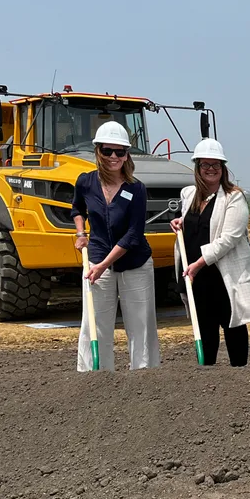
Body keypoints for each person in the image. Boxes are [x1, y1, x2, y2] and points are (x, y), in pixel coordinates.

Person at [72, 121, 160, 371]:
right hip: (97, 257)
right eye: (108, 151)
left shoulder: (136, 189)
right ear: (98, 151)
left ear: (127, 154)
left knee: (140, 323)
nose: (114, 157)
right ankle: (94, 376)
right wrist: (80, 233)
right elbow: (77, 208)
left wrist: (103, 266)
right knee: (94, 322)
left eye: (120, 151)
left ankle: (144, 376)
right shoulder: (85, 182)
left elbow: (133, 235)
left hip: (135, 263)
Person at [171, 138, 250, 367]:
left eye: (216, 165)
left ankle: (239, 375)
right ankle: (207, 380)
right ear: (197, 167)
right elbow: (197, 222)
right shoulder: (189, 194)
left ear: (223, 169)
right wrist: (181, 222)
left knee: (233, 326)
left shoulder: (234, 197)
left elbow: (229, 238)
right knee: (204, 329)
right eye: (205, 165)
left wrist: (199, 263)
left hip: (223, 276)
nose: (211, 170)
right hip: (197, 276)